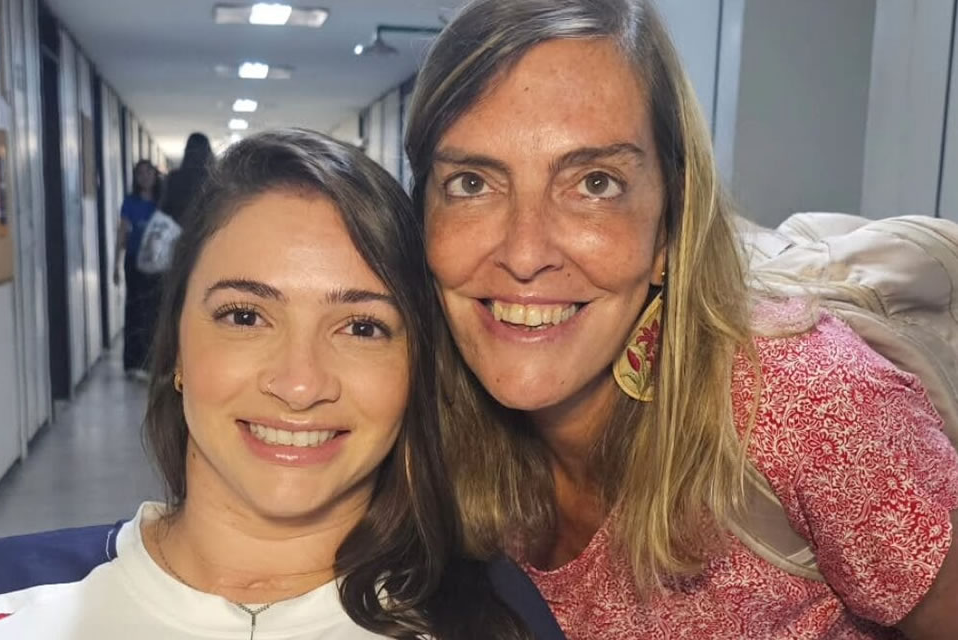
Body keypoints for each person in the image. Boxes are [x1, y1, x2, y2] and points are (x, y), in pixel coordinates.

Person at [405, 1, 958, 638]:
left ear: (669, 224)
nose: (525, 254)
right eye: (472, 183)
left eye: (595, 183)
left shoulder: (805, 406)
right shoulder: (420, 427)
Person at [0, 130, 535, 639]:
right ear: (177, 348)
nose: (299, 385)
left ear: (416, 368)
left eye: (362, 327)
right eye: (245, 316)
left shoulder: (496, 621)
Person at [114, 159, 163, 378]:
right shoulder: (130, 202)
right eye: (140, 173)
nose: (145, 177)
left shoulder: (162, 201)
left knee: (153, 310)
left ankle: (151, 361)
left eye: (148, 172)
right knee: (134, 309)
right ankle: (133, 362)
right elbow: (122, 232)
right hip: (134, 261)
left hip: (157, 263)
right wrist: (116, 265)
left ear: (155, 176)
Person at [161, 132, 214, 227]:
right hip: (205, 228)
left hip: (177, 228)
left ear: (187, 151)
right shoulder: (213, 178)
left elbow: (166, 207)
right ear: (208, 151)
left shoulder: (174, 177)